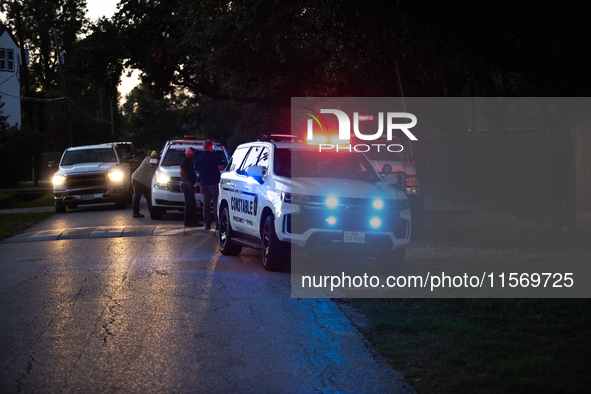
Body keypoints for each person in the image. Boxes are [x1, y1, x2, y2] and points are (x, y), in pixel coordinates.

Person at [195, 140, 226, 230]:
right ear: (211, 146)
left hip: (203, 183)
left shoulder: (199, 158)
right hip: (213, 182)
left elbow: (196, 170)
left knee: (206, 204)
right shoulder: (215, 156)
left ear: (204, 147)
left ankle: (207, 224)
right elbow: (221, 167)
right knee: (216, 203)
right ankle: (217, 224)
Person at [131, 150, 159, 218]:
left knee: (149, 197)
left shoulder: (149, 159)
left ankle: (152, 212)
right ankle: (135, 212)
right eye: (157, 156)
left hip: (145, 183)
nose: (157, 157)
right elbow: (155, 163)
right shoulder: (149, 160)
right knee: (137, 197)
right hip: (138, 180)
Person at [180, 147, 200, 227]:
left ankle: (193, 221)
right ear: (190, 154)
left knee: (192, 204)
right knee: (189, 204)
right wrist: (188, 182)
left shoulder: (188, 162)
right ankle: (188, 221)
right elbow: (182, 172)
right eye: (194, 153)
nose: (195, 155)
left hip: (189, 185)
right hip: (187, 185)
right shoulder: (186, 162)